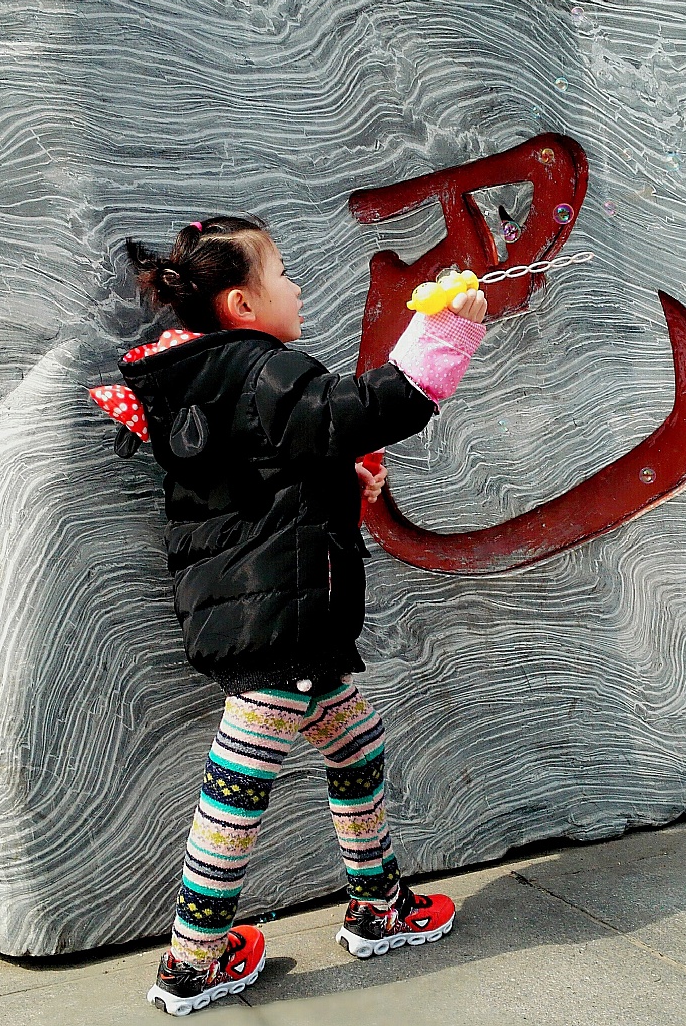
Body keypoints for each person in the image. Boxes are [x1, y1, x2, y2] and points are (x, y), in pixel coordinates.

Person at [99, 215, 488, 1016]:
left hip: (263, 614)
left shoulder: (203, 378)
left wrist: (345, 480)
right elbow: (359, 409)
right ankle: (192, 961)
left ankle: (378, 905)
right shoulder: (261, 367)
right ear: (242, 304)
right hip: (284, 620)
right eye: (282, 273)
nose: (298, 286)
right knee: (237, 784)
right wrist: (443, 333)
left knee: (355, 741)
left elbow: (264, 480)